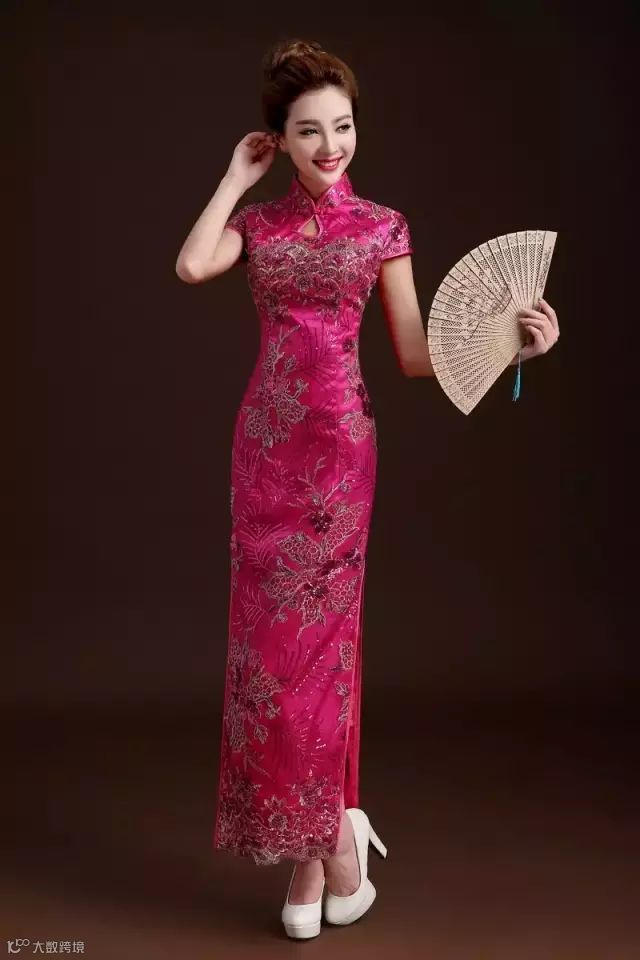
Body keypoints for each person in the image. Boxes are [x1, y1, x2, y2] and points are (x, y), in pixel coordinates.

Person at [175, 38, 560, 939]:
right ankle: (335, 846)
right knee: (268, 657)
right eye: (308, 131)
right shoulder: (261, 226)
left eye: (342, 126)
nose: (330, 145)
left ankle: (316, 860)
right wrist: (233, 179)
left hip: (342, 454)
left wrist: (517, 343)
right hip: (266, 449)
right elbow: (192, 265)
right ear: (279, 138)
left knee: (324, 651)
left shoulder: (384, 227)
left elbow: (417, 355)